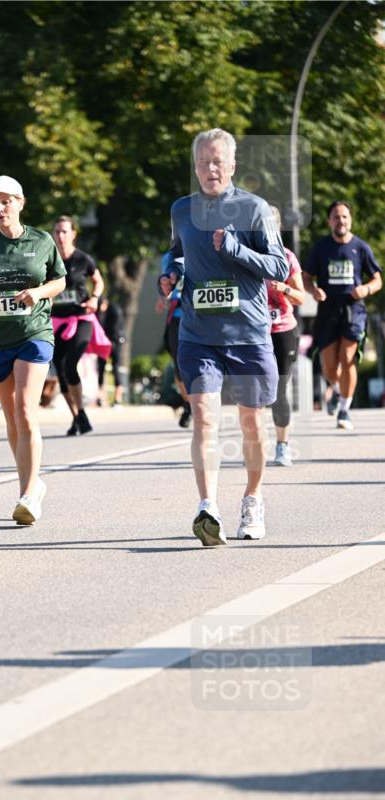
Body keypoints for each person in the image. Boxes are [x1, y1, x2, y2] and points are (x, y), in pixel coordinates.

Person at [159, 128, 287, 545]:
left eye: (218, 161)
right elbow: (177, 250)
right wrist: (171, 272)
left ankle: (252, 499)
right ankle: (207, 506)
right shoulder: (181, 209)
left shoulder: (255, 209)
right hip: (199, 335)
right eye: (203, 162)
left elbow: (279, 268)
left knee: (251, 422)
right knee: (204, 417)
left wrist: (235, 250)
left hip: (249, 334)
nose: (210, 169)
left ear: (232, 166)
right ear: (194, 167)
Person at [0, 176, 66, 524]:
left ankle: (28, 495)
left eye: (7, 202)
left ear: (20, 202)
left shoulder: (42, 240)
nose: (1, 209)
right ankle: (31, 486)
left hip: (34, 332)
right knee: (11, 419)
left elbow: (59, 280)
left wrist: (40, 293)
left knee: (24, 408)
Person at [302, 201, 382, 431]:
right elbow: (306, 277)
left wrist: (365, 289)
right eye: (336, 217)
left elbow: (377, 279)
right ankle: (336, 390)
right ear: (330, 221)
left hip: (353, 309)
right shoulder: (321, 248)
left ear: (351, 220)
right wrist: (314, 290)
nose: (341, 221)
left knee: (347, 358)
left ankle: (345, 409)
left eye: (345, 217)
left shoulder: (361, 247)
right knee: (329, 365)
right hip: (328, 310)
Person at [51, 216, 110, 435]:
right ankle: (77, 417)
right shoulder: (50, 260)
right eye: (57, 231)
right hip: (56, 321)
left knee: (70, 364)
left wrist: (95, 297)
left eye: (65, 231)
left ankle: (81, 413)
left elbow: (99, 280)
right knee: (61, 369)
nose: (61, 236)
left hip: (82, 318)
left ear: (74, 233)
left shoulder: (83, 259)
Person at [265, 206, 305, 467]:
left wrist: (284, 288)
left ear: (277, 227)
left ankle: (282, 446)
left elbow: (301, 297)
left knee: (279, 390)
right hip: (254, 332)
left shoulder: (287, 257)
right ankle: (255, 445)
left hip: (282, 330)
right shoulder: (246, 256)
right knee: (254, 392)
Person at [157, 250, 191, 427]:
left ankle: (202, 403)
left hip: (203, 316)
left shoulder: (205, 244)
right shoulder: (169, 257)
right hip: (178, 316)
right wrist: (163, 297)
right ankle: (188, 404)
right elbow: (166, 286)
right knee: (179, 365)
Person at [97, 294, 125, 406]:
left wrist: (111, 342)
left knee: (116, 368)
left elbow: (115, 329)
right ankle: (100, 396)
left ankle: (118, 397)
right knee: (101, 368)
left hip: (116, 341)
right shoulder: (100, 312)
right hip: (104, 342)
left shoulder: (114, 310)